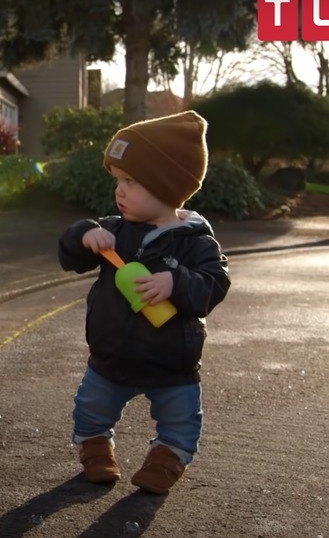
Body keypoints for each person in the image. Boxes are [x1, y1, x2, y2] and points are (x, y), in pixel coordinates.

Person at [57, 110, 231, 495]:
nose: (119, 190)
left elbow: (215, 282)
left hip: (172, 361)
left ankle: (168, 457)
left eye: (131, 181)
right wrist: (83, 236)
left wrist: (176, 281)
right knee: (91, 407)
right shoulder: (114, 231)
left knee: (181, 418)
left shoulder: (194, 242)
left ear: (166, 186)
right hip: (111, 355)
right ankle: (94, 446)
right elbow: (71, 254)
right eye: (118, 180)